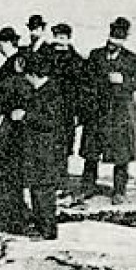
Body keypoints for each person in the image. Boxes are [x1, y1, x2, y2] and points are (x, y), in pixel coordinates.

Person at [4, 50, 75, 238]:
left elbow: (51, 122)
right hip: (38, 151)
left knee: (44, 191)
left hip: (47, 152)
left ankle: (48, 231)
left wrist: (25, 116)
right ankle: (41, 226)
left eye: (27, 75)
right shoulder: (42, 90)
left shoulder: (52, 93)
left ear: (34, 75)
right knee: (37, 189)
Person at [78, 16, 136, 202]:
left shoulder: (132, 59)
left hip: (120, 113)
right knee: (91, 151)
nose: (112, 42)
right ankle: (88, 186)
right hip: (97, 111)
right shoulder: (95, 55)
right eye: (111, 38)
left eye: (117, 39)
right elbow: (85, 80)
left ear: (123, 40)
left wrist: (123, 80)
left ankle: (119, 191)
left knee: (121, 153)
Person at [43, 22, 87, 183]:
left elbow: (82, 90)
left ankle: (61, 180)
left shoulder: (77, 61)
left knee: (64, 145)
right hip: (47, 108)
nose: (59, 41)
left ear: (68, 39)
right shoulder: (46, 56)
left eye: (62, 37)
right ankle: (49, 179)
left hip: (67, 110)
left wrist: (79, 114)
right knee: (47, 144)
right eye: (57, 37)